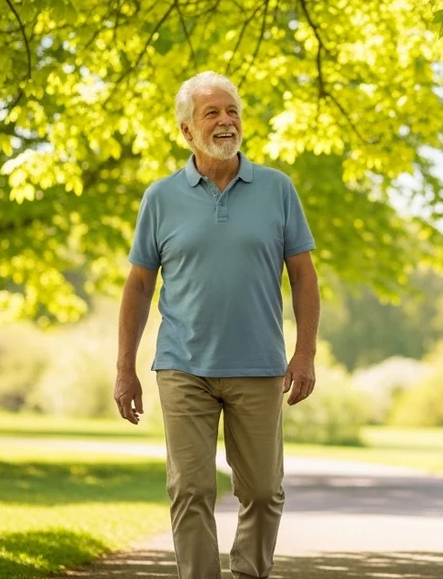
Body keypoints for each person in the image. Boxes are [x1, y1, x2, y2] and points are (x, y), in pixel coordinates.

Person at [114, 71, 320, 579]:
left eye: (232, 112)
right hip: (183, 365)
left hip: (259, 365)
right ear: (187, 130)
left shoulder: (278, 189)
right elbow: (138, 287)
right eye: (212, 113)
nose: (226, 121)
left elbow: (304, 276)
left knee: (262, 492)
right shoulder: (160, 198)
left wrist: (306, 352)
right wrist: (125, 369)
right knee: (190, 489)